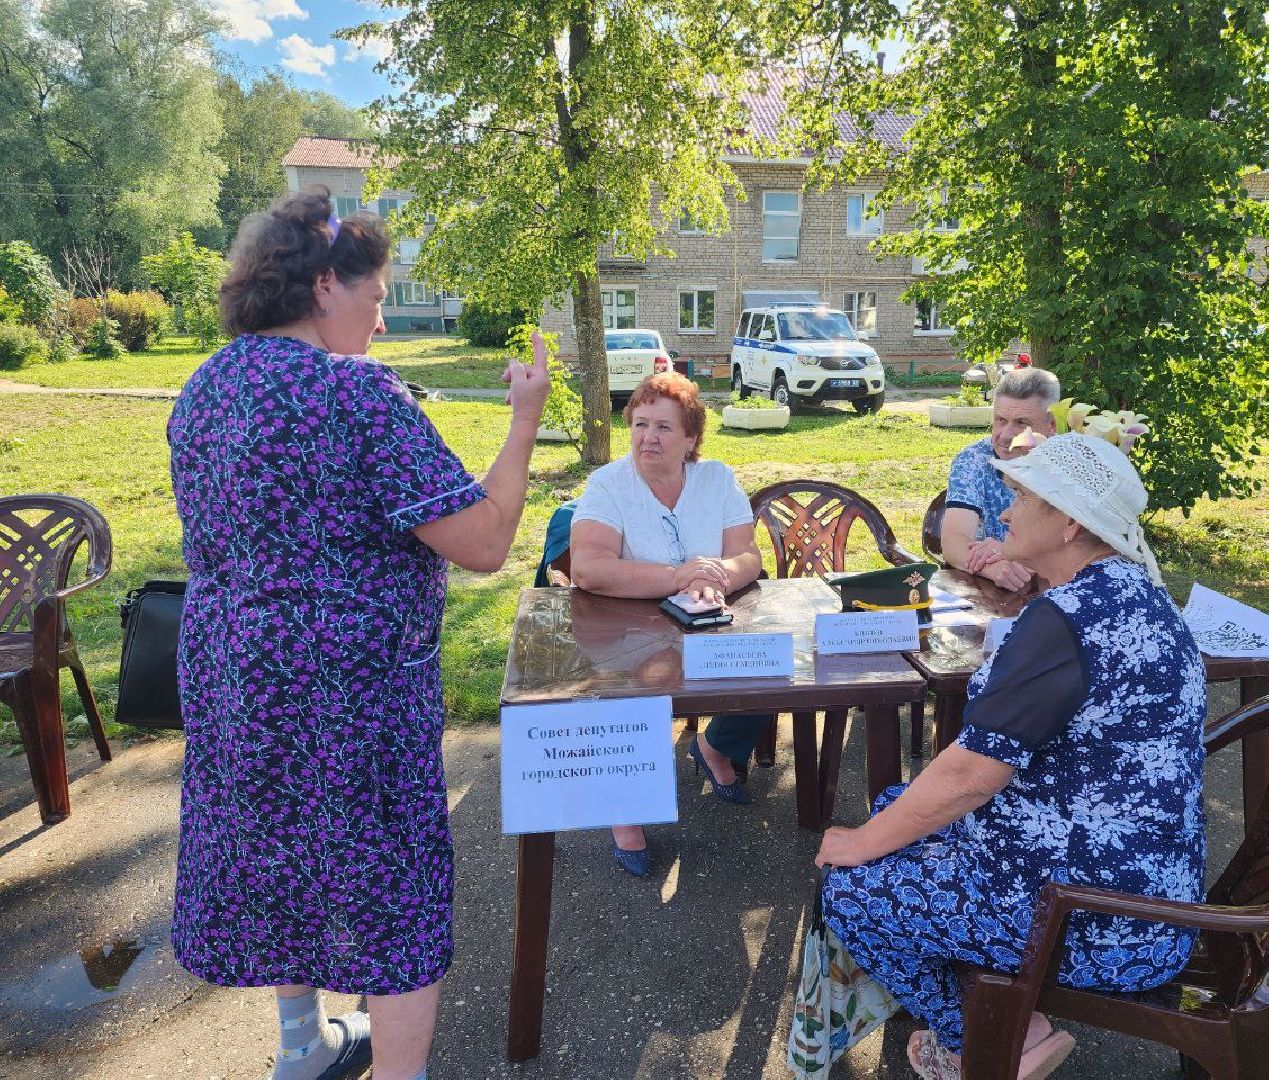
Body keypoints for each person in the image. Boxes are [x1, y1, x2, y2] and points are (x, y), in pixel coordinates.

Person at [167, 189, 550, 1080]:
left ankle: (301, 1044)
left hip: (234, 676)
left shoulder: (206, 386)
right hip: (349, 692)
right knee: (394, 887)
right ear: (326, 286)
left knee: (279, 851)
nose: (380, 323)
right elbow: (486, 541)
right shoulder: (355, 395)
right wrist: (524, 415)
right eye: (376, 301)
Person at [816, 434, 1206, 1080]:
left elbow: (972, 775)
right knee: (894, 813)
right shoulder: (1135, 592)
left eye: (1022, 496)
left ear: (1070, 522)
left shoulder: (1066, 620)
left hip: (1095, 921)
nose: (1005, 511)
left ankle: (987, 1041)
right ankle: (1001, 1013)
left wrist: (858, 845)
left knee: (852, 886)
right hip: (1148, 892)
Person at [568, 372, 767, 878]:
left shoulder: (717, 478)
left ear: (691, 439)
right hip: (627, 626)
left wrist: (719, 574)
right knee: (636, 689)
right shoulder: (609, 484)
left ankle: (714, 745)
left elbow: (748, 554)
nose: (647, 437)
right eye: (639, 424)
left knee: (769, 672)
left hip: (709, 619)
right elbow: (588, 568)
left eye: (662, 427)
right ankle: (628, 811)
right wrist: (678, 575)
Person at [939, 367, 1060, 590]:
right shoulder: (974, 460)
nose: (1005, 436)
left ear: (1051, 425)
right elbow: (954, 541)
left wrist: (1009, 553)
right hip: (1003, 594)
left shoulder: (1071, 463)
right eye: (1000, 420)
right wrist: (992, 567)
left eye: (1022, 423)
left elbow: (1081, 547)